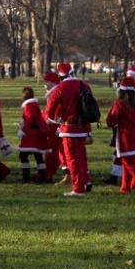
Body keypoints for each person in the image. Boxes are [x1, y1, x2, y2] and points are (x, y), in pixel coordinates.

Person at [43, 63, 93, 196]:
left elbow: (49, 110)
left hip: (68, 127)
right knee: (81, 157)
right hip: (83, 127)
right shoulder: (84, 85)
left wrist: (54, 119)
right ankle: (86, 181)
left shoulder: (61, 87)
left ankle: (78, 188)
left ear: (60, 75)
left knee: (72, 159)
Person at [105, 77, 135, 193]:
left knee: (129, 163)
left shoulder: (120, 103)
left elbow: (110, 120)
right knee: (128, 163)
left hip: (126, 139)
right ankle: (125, 187)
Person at [16, 86, 50, 183]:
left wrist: (23, 130)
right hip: (37, 133)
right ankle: (42, 176)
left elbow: (30, 119)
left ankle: (26, 177)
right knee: (38, 155)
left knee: (23, 155)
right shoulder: (34, 104)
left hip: (32, 134)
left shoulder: (29, 106)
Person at [40, 71, 64, 183]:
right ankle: (47, 172)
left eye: (47, 81)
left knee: (52, 151)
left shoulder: (56, 93)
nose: (45, 84)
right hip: (52, 124)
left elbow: (56, 111)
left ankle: (48, 173)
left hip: (55, 126)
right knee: (51, 150)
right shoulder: (52, 93)